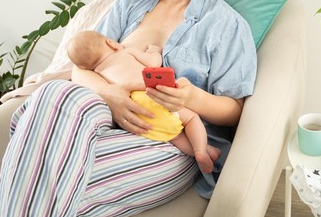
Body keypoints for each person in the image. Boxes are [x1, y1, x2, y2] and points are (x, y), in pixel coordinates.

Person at [0, 0, 257, 217]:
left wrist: (192, 99)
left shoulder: (227, 25)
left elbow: (235, 111)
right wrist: (111, 94)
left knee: (38, 175)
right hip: (100, 113)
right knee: (55, 92)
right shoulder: (130, 4)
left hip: (166, 138)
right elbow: (80, 68)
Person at [66, 29, 220, 173]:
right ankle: (201, 150)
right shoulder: (126, 52)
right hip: (152, 96)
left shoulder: (98, 74)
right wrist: (155, 52)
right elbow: (153, 64)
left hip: (134, 112)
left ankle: (200, 152)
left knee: (175, 137)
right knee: (191, 118)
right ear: (110, 43)